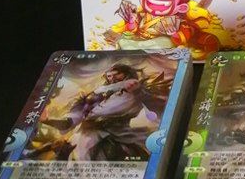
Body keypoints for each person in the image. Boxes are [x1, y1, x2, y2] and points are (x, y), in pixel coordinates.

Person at [39, 63, 171, 161]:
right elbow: (71, 120)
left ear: (126, 74)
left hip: (115, 135)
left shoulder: (135, 89)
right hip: (84, 138)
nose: (112, 78)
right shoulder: (96, 94)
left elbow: (157, 105)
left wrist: (137, 90)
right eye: (109, 75)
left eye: (117, 74)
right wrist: (48, 121)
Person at [103, 0, 221, 60]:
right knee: (126, 37)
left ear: (181, 7)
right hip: (137, 42)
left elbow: (182, 39)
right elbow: (132, 30)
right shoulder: (142, 15)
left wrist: (173, 33)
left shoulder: (179, 21)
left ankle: (131, 46)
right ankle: (128, 45)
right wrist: (131, 20)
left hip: (160, 47)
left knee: (165, 41)